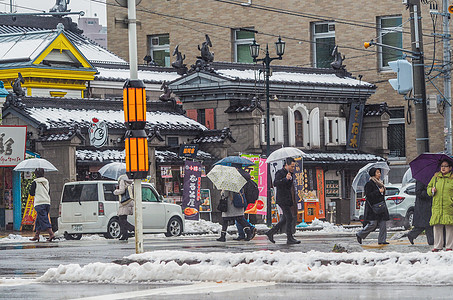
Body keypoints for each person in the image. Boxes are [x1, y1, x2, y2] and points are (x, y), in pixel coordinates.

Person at [265, 157, 301, 245]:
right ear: (286, 165)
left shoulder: (290, 174)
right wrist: (285, 179)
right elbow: (275, 183)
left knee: (285, 219)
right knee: (289, 217)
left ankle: (271, 232)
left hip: (288, 198)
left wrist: (289, 179)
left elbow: (288, 186)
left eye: (293, 167)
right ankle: (289, 237)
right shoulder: (280, 173)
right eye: (291, 166)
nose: (293, 168)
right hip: (282, 199)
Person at [356, 167, 389, 245]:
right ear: (373, 174)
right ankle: (360, 234)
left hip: (381, 207)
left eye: (379, 172)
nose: (379, 174)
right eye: (377, 173)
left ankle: (382, 240)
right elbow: (369, 196)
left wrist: (382, 191)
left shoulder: (380, 183)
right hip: (373, 208)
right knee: (373, 224)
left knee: (383, 224)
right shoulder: (369, 184)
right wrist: (378, 191)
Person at [427, 158, 453, 252]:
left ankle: (449, 246)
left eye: (445, 166)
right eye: (442, 166)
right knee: (437, 226)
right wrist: (431, 190)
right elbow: (428, 188)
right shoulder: (435, 178)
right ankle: (437, 246)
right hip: (437, 206)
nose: (443, 168)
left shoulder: (452, 178)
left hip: (449, 206)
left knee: (449, 226)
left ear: (450, 168)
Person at [29, 168, 55, 242]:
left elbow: (31, 193)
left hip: (39, 203)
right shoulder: (46, 181)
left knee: (44, 219)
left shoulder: (35, 182)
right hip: (47, 202)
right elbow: (48, 192)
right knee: (39, 218)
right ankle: (37, 235)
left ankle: (51, 233)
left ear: (36, 174)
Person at [407, 180, 434, 245]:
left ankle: (412, 234)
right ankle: (431, 241)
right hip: (423, 206)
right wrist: (430, 192)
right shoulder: (421, 179)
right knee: (427, 224)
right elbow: (418, 192)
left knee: (425, 225)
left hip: (429, 205)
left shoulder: (432, 178)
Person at [233, 168, 257, 241]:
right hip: (246, 200)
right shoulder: (246, 176)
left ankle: (246, 231)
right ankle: (244, 233)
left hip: (240, 200)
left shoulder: (239, 177)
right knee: (240, 217)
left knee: (238, 218)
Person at [113, 174, 135, 241]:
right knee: (123, 218)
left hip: (124, 202)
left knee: (121, 219)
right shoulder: (129, 181)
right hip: (128, 201)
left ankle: (133, 228)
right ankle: (124, 235)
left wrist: (115, 191)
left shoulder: (122, 180)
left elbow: (122, 191)